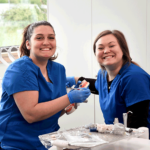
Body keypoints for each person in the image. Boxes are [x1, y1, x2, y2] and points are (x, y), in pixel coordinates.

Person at [0, 21, 91, 150]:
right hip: (15, 144)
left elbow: (51, 113)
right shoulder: (20, 69)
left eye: (51, 37)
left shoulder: (58, 70)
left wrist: (68, 107)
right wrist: (69, 98)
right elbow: (31, 115)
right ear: (28, 44)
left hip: (47, 142)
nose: (46, 42)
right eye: (39, 38)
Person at [66, 30, 150, 138]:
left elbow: (137, 126)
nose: (106, 51)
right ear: (95, 54)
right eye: (100, 48)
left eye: (111, 45)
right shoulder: (103, 74)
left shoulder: (134, 77)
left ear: (123, 49)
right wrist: (75, 79)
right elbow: (99, 86)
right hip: (117, 137)